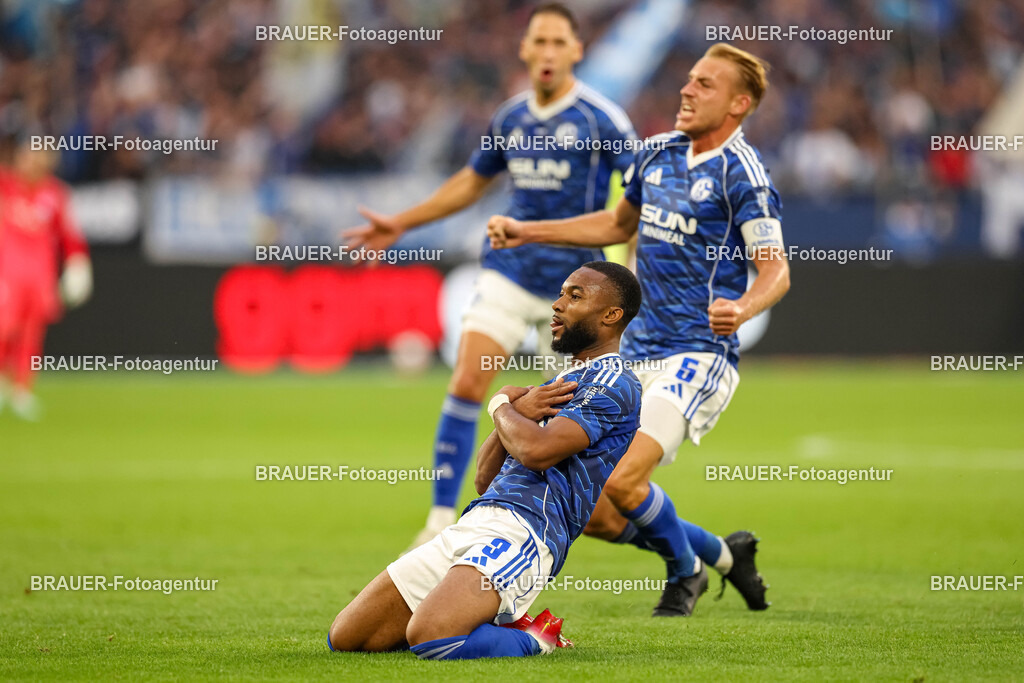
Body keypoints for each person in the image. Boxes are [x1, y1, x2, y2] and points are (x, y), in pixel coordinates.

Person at [487, 43, 790, 616]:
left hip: (695, 354)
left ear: (738, 104)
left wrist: (744, 307)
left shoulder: (743, 175)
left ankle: (685, 572)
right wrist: (529, 230)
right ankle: (725, 555)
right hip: (633, 353)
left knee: (625, 483)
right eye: (690, 78)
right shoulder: (656, 153)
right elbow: (615, 223)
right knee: (597, 511)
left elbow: (776, 269)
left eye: (705, 84)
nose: (687, 89)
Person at [343, 3, 637, 547]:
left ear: (577, 50)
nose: (547, 52)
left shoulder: (603, 120)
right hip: (509, 272)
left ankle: (668, 542)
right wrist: (402, 222)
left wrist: (636, 267)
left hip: (577, 295)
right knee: (467, 380)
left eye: (558, 42)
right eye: (539, 41)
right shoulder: (510, 118)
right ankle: (439, 522)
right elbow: (472, 182)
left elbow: (637, 200)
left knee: (573, 453)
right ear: (524, 49)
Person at [329, 262, 643, 659]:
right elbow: (484, 478)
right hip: (476, 520)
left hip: (527, 532)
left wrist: (500, 406)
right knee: (348, 638)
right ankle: (491, 619)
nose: (558, 304)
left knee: (432, 639)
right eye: (561, 293)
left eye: (575, 296)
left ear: (611, 315)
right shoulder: (556, 383)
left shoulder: (614, 382)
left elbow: (538, 451)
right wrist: (513, 412)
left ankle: (538, 637)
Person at [0, 138, 92, 420]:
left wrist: (79, 263)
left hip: (40, 275)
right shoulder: (5, 186)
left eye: (40, 156)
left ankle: (22, 390)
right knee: (4, 329)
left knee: (32, 332)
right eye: (29, 155)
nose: (33, 162)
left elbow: (69, 234)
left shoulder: (55, 193)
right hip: (7, 273)